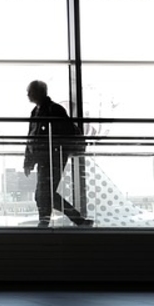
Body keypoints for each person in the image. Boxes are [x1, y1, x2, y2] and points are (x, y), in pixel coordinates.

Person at [23, 79, 92, 228]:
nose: (28, 94)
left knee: (43, 193)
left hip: (53, 157)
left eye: (30, 91)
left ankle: (45, 222)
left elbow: (36, 137)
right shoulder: (37, 111)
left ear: (39, 92)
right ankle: (75, 220)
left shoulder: (53, 110)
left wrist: (29, 159)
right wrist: (28, 160)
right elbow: (31, 137)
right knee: (45, 194)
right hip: (46, 157)